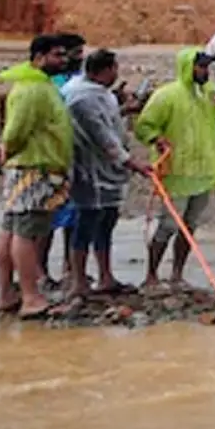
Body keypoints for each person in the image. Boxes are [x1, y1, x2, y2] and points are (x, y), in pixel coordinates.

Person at [137, 47, 215, 290]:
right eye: (200, 66)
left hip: (203, 171)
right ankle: (151, 275)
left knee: (190, 225)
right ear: (188, 67)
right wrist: (157, 138)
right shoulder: (167, 96)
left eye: (207, 67)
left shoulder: (214, 95)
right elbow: (145, 125)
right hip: (176, 172)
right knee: (168, 226)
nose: (205, 71)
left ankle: (177, 274)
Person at [0, 35, 75, 319]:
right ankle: (30, 297)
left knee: (12, 227)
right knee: (26, 232)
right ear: (39, 57)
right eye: (57, 55)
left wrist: (6, 151)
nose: (63, 61)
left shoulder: (37, 85)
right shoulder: (33, 90)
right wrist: (8, 148)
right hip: (35, 168)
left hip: (26, 166)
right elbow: (16, 131)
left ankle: (7, 294)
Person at [65, 48, 151, 297]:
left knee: (107, 223)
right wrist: (134, 164)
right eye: (114, 68)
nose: (116, 73)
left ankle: (106, 276)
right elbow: (103, 139)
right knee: (86, 222)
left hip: (109, 171)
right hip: (89, 169)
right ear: (103, 71)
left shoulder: (99, 93)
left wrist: (125, 108)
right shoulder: (81, 98)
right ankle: (78, 280)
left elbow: (110, 125)